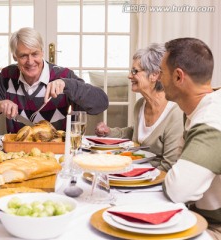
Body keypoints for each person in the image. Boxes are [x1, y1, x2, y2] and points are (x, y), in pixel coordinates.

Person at [0, 27, 109, 133]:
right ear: (14, 56)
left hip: (60, 153)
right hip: (19, 154)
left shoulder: (64, 75)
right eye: (23, 56)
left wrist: (67, 84)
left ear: (42, 52)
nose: (30, 61)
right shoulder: (7, 76)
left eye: (35, 54)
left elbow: (101, 103)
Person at [160, 38, 221, 239]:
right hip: (197, 216)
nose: (158, 80)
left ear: (178, 77)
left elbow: (179, 190)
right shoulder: (199, 111)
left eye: (161, 73)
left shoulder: (211, 119)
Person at [95, 43, 184, 172]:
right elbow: (135, 132)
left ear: (155, 75)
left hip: (156, 182)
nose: (129, 76)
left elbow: (169, 166)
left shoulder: (175, 113)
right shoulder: (140, 105)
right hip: (134, 173)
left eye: (135, 71)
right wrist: (109, 132)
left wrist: (134, 175)